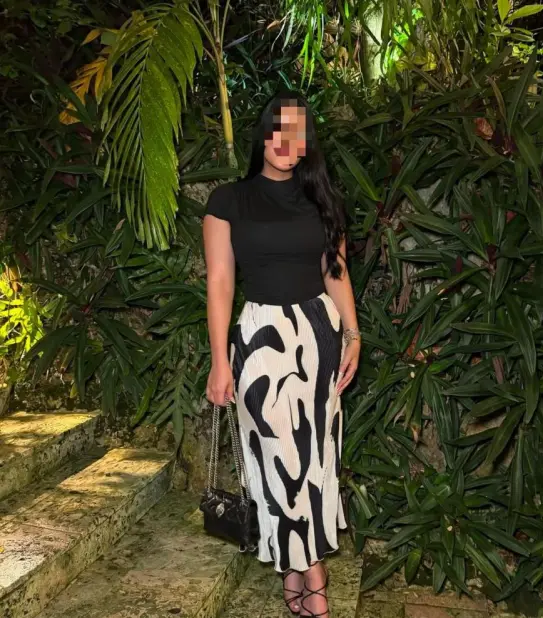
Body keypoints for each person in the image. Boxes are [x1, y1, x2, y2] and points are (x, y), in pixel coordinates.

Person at [203, 91, 361, 618]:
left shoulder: (323, 199)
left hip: (319, 334)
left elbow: (335, 272)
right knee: (278, 456)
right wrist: (219, 359)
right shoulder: (228, 200)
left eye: (297, 132)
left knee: (315, 457)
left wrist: (354, 336)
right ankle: (314, 575)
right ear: (263, 133)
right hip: (260, 339)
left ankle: (294, 567)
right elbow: (220, 283)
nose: (285, 141)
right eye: (278, 128)